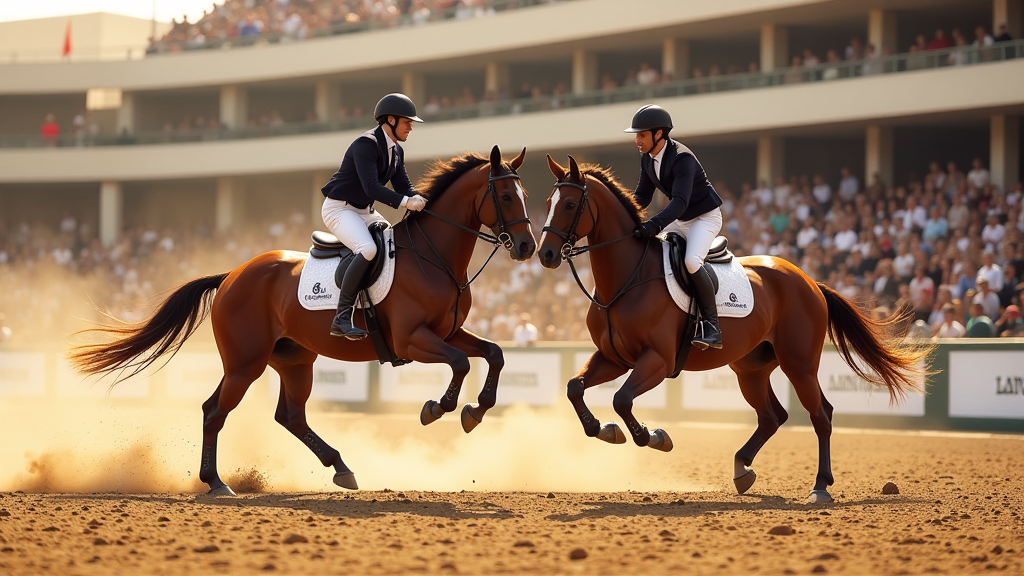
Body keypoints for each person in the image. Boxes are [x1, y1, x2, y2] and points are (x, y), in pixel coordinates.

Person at [320, 93, 426, 339]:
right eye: (407, 122)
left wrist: (424, 199)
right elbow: (371, 187)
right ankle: (342, 317)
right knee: (368, 249)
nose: (411, 127)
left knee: (393, 244)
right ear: (390, 120)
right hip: (339, 208)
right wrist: (407, 202)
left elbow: (404, 188)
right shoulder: (365, 144)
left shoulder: (396, 150)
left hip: (363, 211)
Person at [624, 104, 724, 350]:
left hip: (704, 218)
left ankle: (712, 326)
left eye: (642, 134)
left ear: (659, 134)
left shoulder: (683, 158)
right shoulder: (647, 158)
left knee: (691, 262)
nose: (637, 139)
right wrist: (625, 217)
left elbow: (680, 201)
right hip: (682, 220)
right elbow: (642, 196)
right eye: (636, 135)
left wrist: (655, 223)